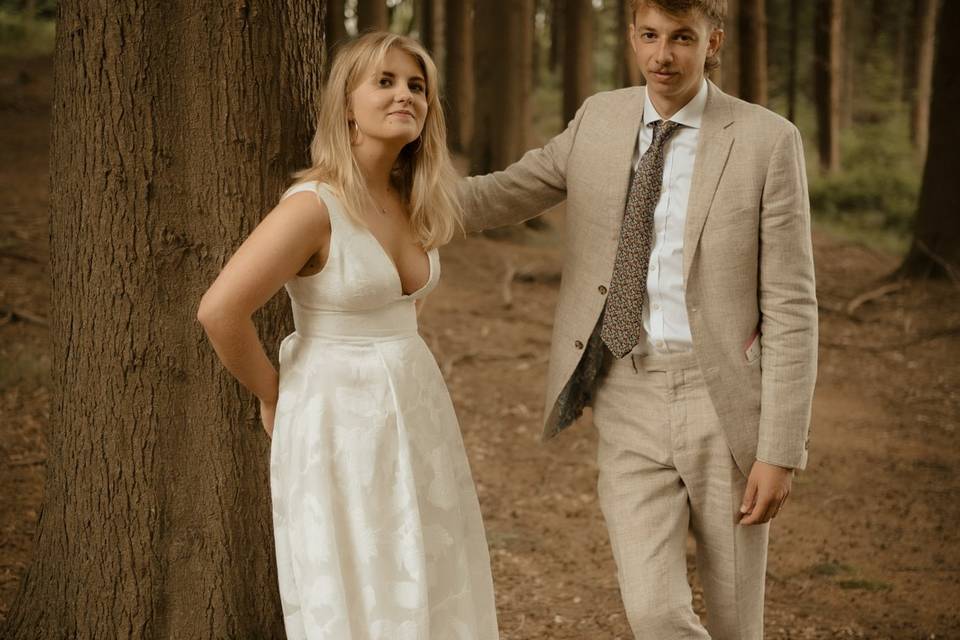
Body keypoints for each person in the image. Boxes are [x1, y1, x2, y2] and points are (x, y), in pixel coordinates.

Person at [459, 0, 817, 638]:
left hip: (723, 401)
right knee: (653, 613)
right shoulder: (600, 118)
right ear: (631, 36)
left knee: (737, 620)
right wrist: (385, 186)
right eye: (649, 36)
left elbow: (791, 304)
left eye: (682, 38)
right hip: (625, 390)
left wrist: (780, 450)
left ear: (713, 42)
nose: (663, 55)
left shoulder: (766, 140)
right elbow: (505, 192)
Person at [197, 32, 499, 640]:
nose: (404, 95)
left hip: (414, 406)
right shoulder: (313, 206)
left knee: (429, 563)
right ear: (346, 104)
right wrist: (272, 394)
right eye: (383, 82)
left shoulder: (411, 199)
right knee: (362, 572)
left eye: (417, 86)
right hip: (334, 412)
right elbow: (220, 310)